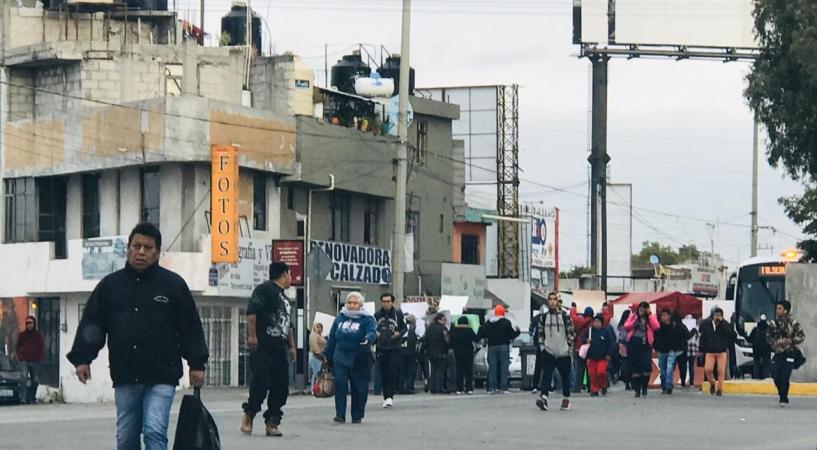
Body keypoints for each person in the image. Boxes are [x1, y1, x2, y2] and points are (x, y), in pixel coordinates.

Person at [67, 223, 209, 450]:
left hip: (162, 374)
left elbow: (190, 327)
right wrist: (83, 358)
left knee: (154, 431)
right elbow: (93, 324)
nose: (141, 252)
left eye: (148, 248)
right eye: (136, 246)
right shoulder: (110, 286)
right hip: (126, 374)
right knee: (126, 438)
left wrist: (197, 364)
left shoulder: (173, 286)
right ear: (128, 249)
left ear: (157, 252)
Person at [240, 261, 297, 437]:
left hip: (280, 348)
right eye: (290, 274)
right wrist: (252, 335)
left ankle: (272, 421)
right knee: (261, 383)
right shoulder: (264, 289)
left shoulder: (285, 299)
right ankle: (249, 414)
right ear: (285, 274)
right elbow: (251, 312)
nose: (291, 279)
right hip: (263, 346)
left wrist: (292, 346)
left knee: (281, 386)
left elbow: (288, 325)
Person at [324, 292, 377, 423]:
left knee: (359, 388)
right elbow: (332, 337)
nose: (352, 305)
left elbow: (372, 332)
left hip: (359, 358)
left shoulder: (367, 319)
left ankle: (357, 415)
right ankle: (340, 414)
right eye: (349, 303)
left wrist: (368, 339)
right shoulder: (340, 318)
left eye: (355, 303)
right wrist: (327, 355)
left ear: (360, 304)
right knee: (340, 385)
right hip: (341, 357)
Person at [534, 292, 576, 412]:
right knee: (546, 375)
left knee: (565, 376)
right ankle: (544, 398)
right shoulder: (543, 317)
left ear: (557, 301)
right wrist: (543, 348)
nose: (552, 301)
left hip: (563, 352)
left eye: (554, 299)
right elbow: (540, 333)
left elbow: (571, 333)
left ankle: (566, 399)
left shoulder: (565, 316)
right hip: (549, 351)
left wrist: (569, 348)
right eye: (550, 299)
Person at [766, 300, 806, 407]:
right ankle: (781, 393)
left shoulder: (793, 323)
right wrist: (774, 344)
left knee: (784, 376)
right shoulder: (773, 323)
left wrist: (791, 341)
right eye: (777, 308)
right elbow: (768, 336)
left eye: (780, 308)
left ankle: (783, 398)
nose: (777, 310)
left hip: (790, 353)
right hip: (778, 353)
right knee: (775, 376)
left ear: (785, 310)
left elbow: (801, 336)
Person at [478, 305, 521, 394]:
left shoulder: (489, 322)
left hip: (492, 346)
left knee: (492, 368)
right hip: (503, 346)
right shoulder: (506, 322)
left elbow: (483, 333)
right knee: (504, 367)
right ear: (502, 313)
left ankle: (492, 388)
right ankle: (503, 387)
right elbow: (511, 335)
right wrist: (517, 331)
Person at [374, 293, 407, 409]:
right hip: (381, 346)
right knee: (383, 371)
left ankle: (390, 396)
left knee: (392, 371)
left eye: (388, 301)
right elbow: (372, 327)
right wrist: (376, 334)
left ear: (392, 302)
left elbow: (404, 328)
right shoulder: (377, 315)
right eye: (383, 301)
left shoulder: (398, 314)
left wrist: (399, 334)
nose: (386, 303)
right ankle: (386, 395)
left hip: (395, 347)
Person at [623, 302, 660, 398]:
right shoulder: (633, 316)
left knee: (646, 367)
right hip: (634, 343)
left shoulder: (650, 317)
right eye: (640, 309)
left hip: (645, 345)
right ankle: (637, 390)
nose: (641, 311)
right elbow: (626, 326)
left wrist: (650, 315)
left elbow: (656, 326)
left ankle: (644, 387)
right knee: (636, 369)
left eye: (644, 309)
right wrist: (634, 322)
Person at [699, 307, 736, 396]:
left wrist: (722, 323)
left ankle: (719, 389)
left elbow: (732, 334)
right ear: (713, 316)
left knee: (721, 370)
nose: (717, 317)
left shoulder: (724, 325)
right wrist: (702, 349)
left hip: (721, 351)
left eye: (719, 315)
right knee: (708, 369)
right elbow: (703, 337)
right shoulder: (707, 324)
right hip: (710, 351)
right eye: (716, 315)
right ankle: (712, 383)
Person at [582, 313, 616, 396]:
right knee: (592, 374)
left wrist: (609, 354)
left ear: (601, 323)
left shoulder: (606, 332)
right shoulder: (589, 331)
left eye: (598, 322)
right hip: (591, 356)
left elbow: (611, 343)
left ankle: (603, 385)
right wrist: (586, 340)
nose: (596, 323)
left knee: (601, 372)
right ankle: (594, 389)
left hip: (603, 357)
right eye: (595, 321)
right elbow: (582, 338)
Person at [653, 309, 685, 395]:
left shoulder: (674, 326)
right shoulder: (658, 327)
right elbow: (655, 338)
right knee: (662, 370)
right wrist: (655, 348)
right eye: (662, 315)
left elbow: (679, 337)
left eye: (665, 315)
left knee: (669, 368)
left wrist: (676, 348)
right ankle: (664, 386)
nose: (663, 317)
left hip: (672, 350)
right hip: (661, 350)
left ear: (669, 316)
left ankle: (669, 386)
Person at [15, 315, 44, 404]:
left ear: (34, 324)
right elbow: (17, 347)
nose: (29, 325)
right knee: (23, 379)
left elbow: (41, 347)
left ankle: (31, 398)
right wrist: (20, 357)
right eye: (27, 323)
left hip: (35, 361)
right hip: (24, 361)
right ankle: (22, 398)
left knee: (35, 380)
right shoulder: (22, 335)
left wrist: (39, 357)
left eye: (30, 323)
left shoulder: (38, 335)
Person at [451, 316, 479, 395]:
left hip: (458, 352)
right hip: (468, 352)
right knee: (468, 371)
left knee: (459, 370)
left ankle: (459, 389)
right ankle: (469, 388)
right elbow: (476, 339)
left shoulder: (455, 330)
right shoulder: (469, 330)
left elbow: (451, 340)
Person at [425, 313, 450, 394]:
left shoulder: (430, 328)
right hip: (441, 352)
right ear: (439, 320)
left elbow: (426, 339)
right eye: (444, 320)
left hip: (431, 352)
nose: (445, 321)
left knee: (433, 370)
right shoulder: (443, 329)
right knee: (440, 370)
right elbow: (447, 340)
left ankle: (433, 388)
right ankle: (440, 387)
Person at [399, 315, 419, 394]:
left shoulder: (402, 328)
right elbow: (419, 337)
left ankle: (401, 387)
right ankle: (408, 387)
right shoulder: (414, 328)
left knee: (402, 371)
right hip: (411, 352)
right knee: (410, 370)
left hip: (401, 351)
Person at [750, 315, 772, 379]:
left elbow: (750, 339)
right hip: (766, 350)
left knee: (756, 364)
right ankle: (766, 377)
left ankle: (756, 377)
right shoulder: (769, 330)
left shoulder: (755, 329)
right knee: (766, 364)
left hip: (756, 350)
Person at [616, 310, 631, 390]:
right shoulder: (628, 324)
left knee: (625, 364)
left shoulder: (621, 325)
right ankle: (628, 381)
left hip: (622, 346)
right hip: (628, 345)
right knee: (629, 364)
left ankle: (626, 381)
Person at [309, 323, 327, 388]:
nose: (320, 329)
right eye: (318, 327)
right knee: (316, 373)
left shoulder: (320, 336)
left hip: (319, 356)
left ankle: (318, 388)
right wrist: (321, 356)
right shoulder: (313, 335)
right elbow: (315, 347)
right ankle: (313, 389)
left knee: (319, 373)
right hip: (315, 356)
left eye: (321, 327)